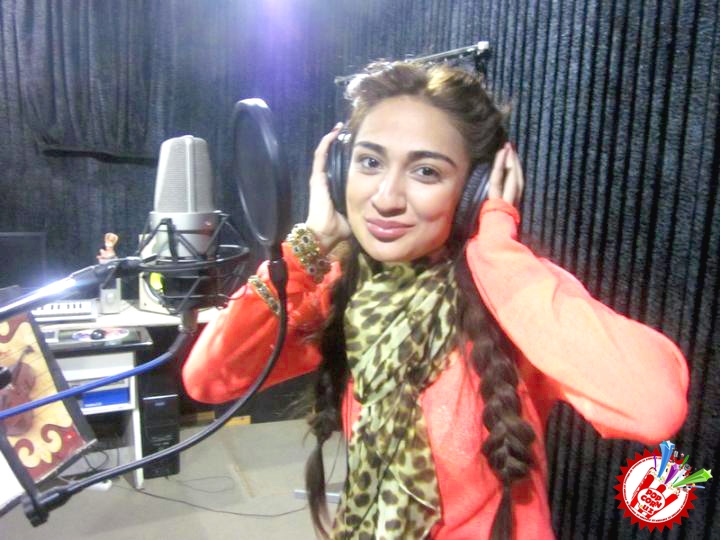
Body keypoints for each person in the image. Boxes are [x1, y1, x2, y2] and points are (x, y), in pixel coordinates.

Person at [181, 62, 689, 539]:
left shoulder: (516, 299)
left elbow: (653, 407)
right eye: (369, 162)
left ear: (473, 190)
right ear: (337, 173)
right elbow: (210, 379)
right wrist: (305, 250)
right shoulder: (342, 291)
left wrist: (497, 244)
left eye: (426, 171)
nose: (386, 198)